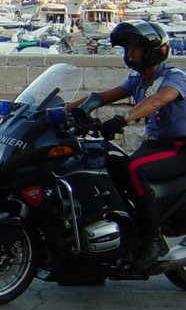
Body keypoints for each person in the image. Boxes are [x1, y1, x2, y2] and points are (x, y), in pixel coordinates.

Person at [74, 20, 186, 272]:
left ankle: (153, 241)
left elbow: (159, 100)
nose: (129, 53)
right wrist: (62, 111)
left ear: (154, 50)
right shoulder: (137, 79)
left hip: (180, 147)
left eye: (135, 47)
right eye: (127, 48)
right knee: (105, 163)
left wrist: (123, 118)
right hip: (156, 145)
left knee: (135, 169)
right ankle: (120, 237)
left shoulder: (173, 77)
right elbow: (102, 97)